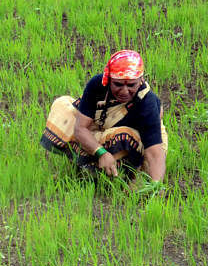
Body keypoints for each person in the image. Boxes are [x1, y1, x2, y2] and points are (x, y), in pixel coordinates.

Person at [41, 49, 167, 181]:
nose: (125, 91)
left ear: (141, 80)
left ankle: (127, 174)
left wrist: (156, 186)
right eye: (118, 84)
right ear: (109, 79)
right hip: (101, 131)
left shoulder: (147, 102)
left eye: (131, 85)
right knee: (63, 111)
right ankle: (83, 168)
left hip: (134, 142)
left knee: (127, 136)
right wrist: (101, 152)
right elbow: (80, 129)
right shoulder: (97, 85)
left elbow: (154, 151)